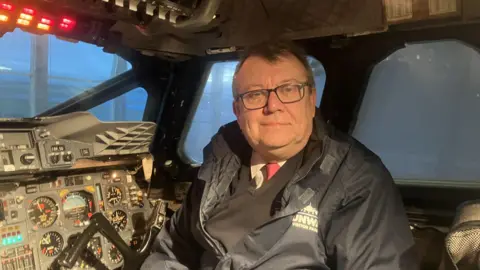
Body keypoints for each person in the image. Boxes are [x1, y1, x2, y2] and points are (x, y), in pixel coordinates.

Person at [141, 40, 418, 269]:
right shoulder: (218, 160)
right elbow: (172, 251)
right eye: (255, 94)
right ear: (238, 111)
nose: (273, 105)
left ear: (311, 102)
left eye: (288, 90)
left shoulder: (356, 179)